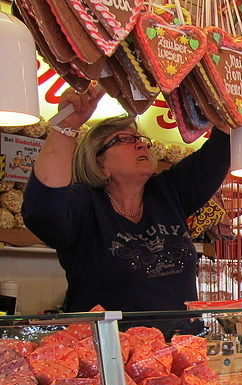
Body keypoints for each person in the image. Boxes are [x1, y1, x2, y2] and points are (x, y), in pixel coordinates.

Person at [22, 84, 230, 313]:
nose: (141, 143)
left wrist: (226, 90)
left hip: (180, 345)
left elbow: (218, 153)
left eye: (141, 139)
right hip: (109, 347)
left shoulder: (167, 192)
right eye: (124, 139)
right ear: (99, 163)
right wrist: (66, 127)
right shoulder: (85, 203)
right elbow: (43, 211)